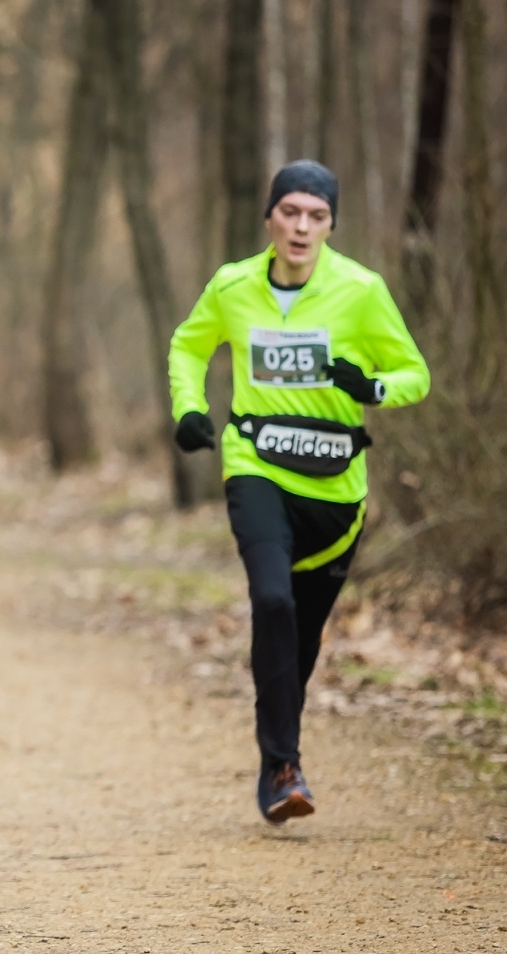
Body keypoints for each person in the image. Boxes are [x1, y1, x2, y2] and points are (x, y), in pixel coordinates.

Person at [168, 160, 429, 825]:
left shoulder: (361, 290)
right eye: (290, 212)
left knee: (301, 637)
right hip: (256, 464)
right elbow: (188, 345)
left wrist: (372, 389)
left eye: (316, 215)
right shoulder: (232, 286)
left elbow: (414, 374)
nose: (302, 226)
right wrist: (189, 408)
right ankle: (285, 764)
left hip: (336, 488)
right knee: (272, 597)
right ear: (270, 218)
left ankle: (276, 758)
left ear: (331, 224)